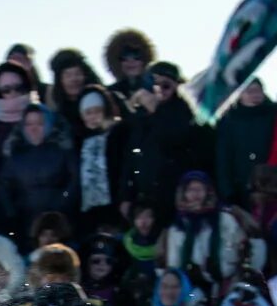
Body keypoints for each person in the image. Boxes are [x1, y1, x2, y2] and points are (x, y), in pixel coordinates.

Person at [119, 61, 214, 216]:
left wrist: (157, 111)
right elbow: (131, 157)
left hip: (179, 197)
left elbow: (176, 138)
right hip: (145, 200)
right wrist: (125, 194)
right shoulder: (140, 118)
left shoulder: (188, 112)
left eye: (166, 86)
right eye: (154, 85)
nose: (159, 91)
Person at [161, 171, 250, 298]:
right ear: (183, 193)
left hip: (226, 287)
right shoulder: (178, 226)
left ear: (208, 191)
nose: (195, 194)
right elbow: (174, 263)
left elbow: (241, 250)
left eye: (200, 189)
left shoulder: (224, 219)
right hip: (190, 290)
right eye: (191, 189)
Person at [0, 105, 76, 243]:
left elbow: (74, 180)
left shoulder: (63, 149)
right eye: (28, 124)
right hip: (26, 222)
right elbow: (3, 186)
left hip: (60, 222)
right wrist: (11, 213)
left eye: (39, 123)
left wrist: (62, 202)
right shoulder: (16, 154)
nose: (33, 129)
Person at [214, 78, 277, 206]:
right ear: (239, 95)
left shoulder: (275, 115)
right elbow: (223, 157)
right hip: (241, 183)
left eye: (258, 90)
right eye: (249, 91)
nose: (254, 94)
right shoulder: (229, 120)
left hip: (273, 182)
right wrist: (227, 190)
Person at [74, 87, 127, 238]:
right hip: (89, 212)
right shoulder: (78, 141)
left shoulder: (118, 134)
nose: (93, 117)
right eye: (88, 113)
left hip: (114, 207)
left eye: (97, 111)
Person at [46, 48, 108, 142]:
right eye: (68, 75)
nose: (74, 80)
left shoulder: (106, 101)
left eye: (77, 74)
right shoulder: (58, 118)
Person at [103, 28, 157, 109]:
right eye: (124, 57)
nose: (131, 61)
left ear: (145, 58)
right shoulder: (109, 95)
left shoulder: (159, 88)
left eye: (136, 56)